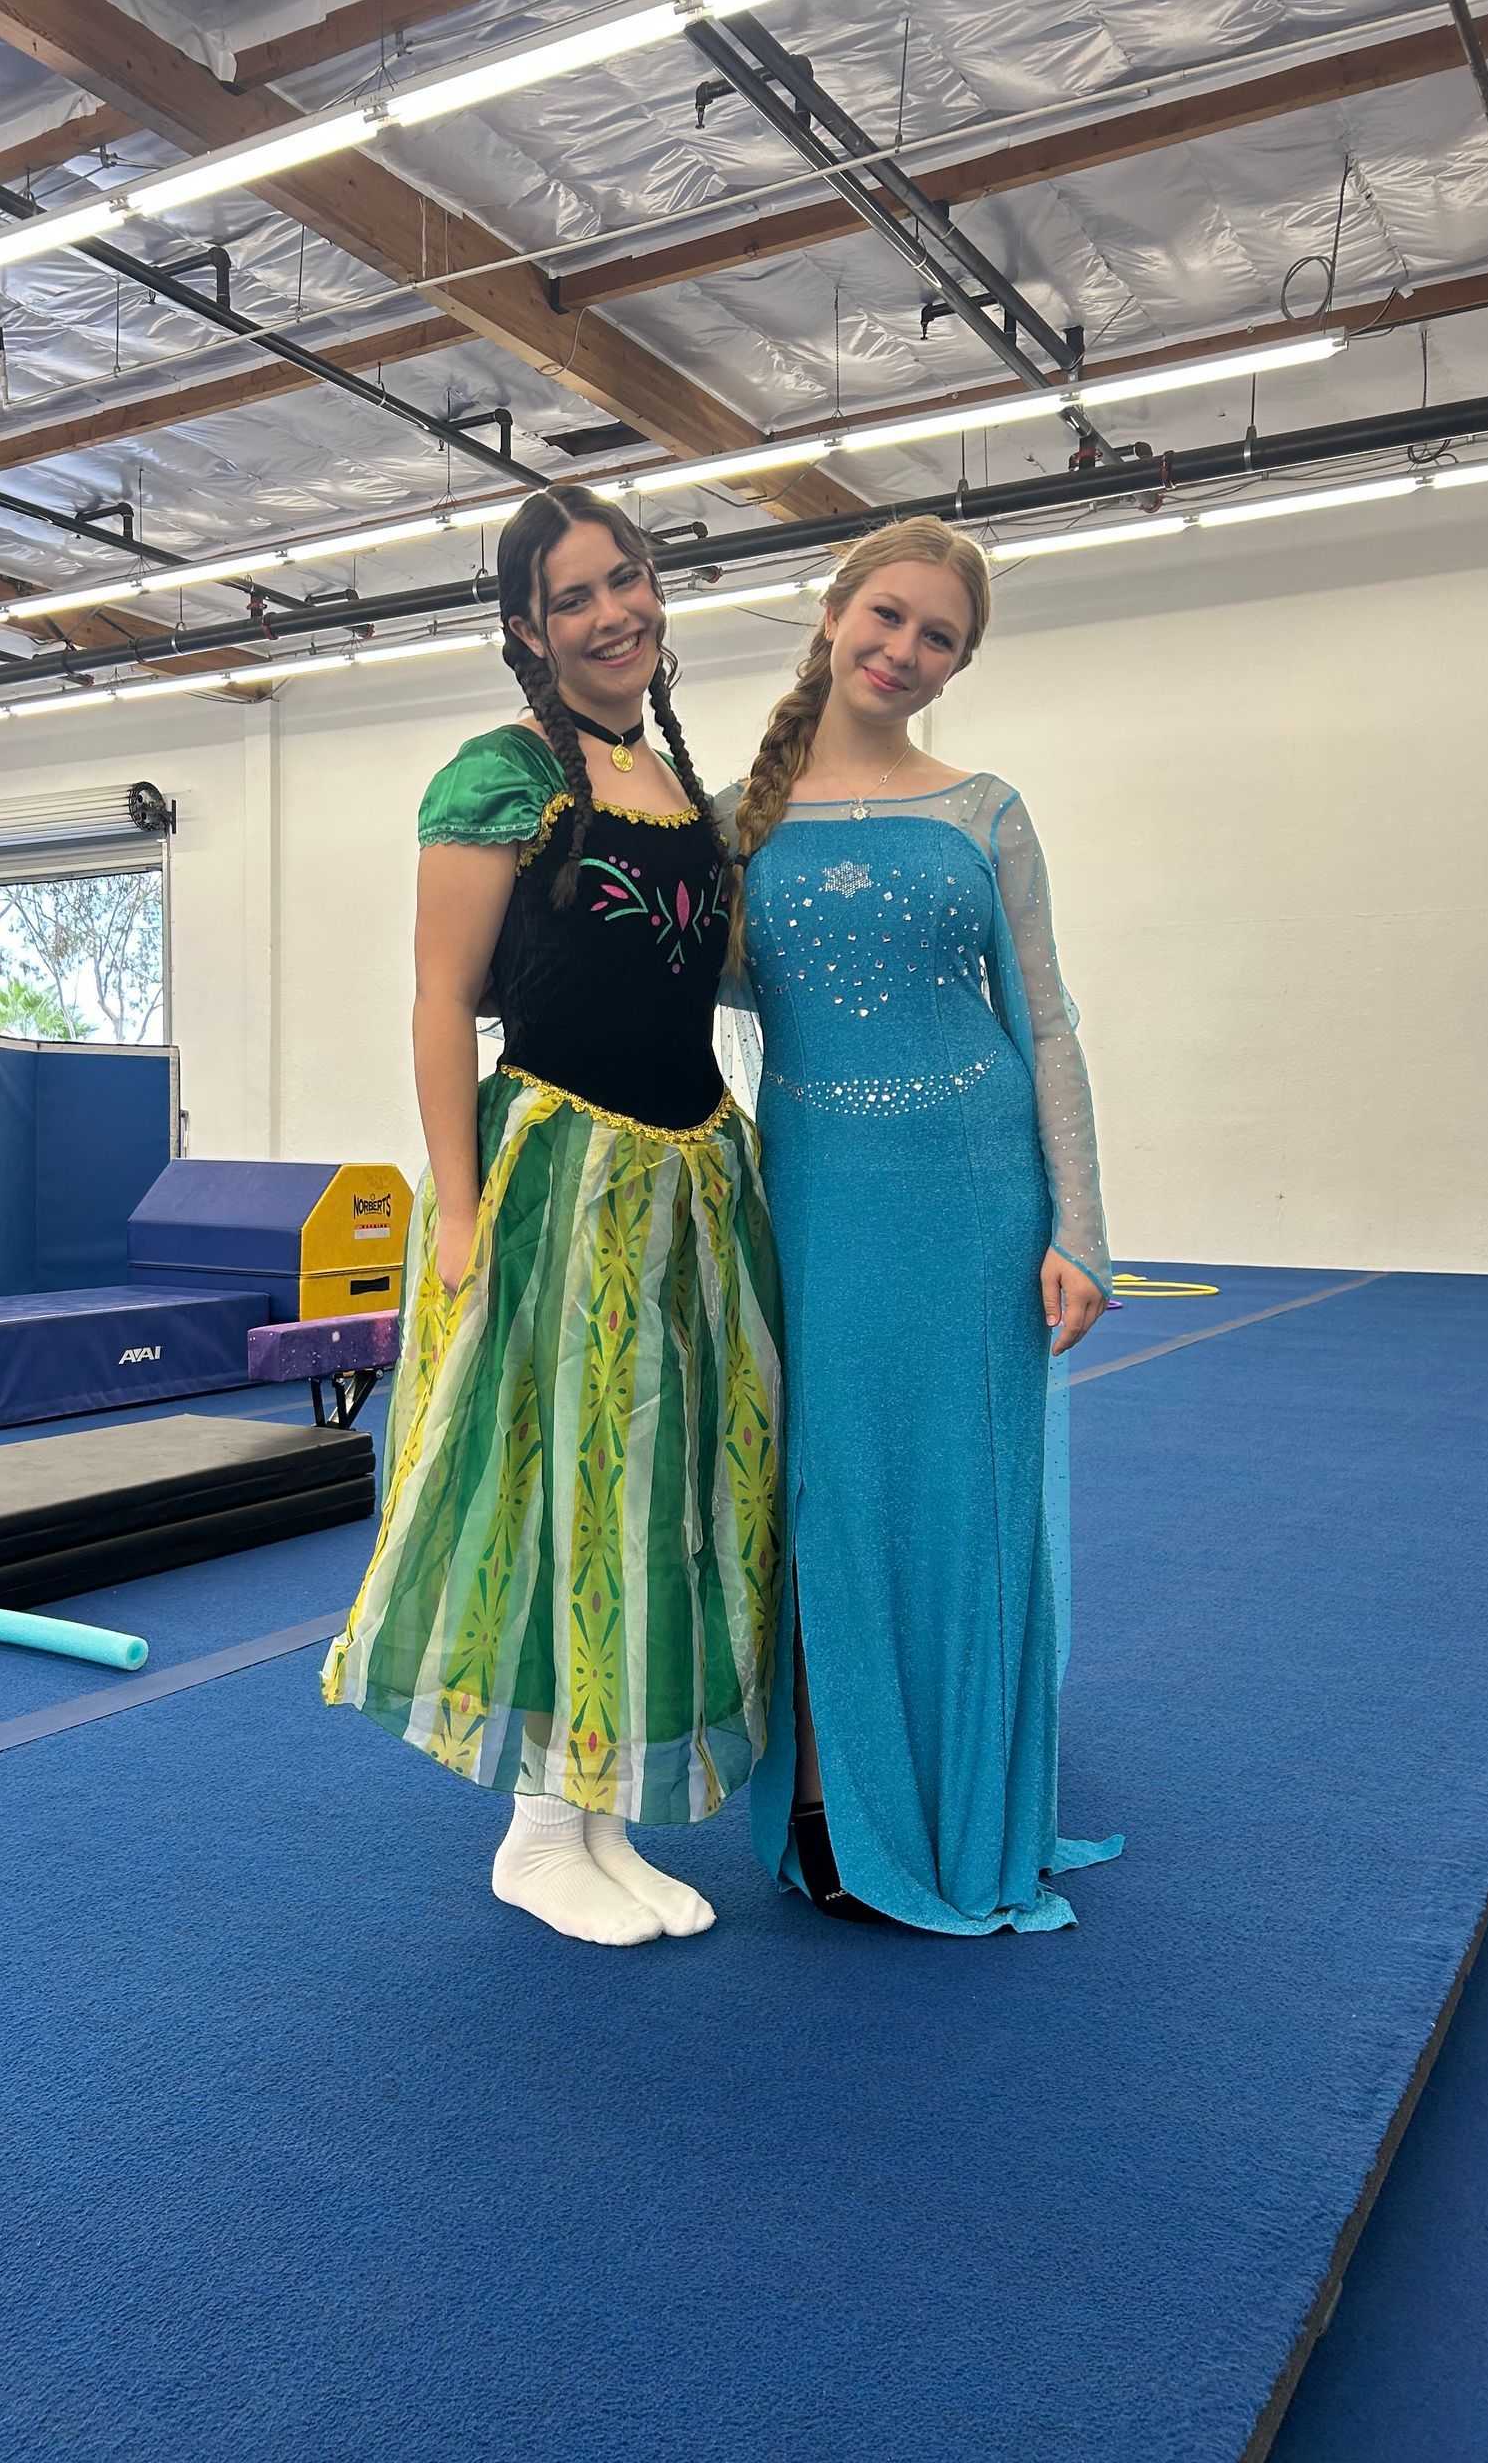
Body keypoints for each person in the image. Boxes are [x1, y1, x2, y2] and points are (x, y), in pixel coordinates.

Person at [323, 485, 783, 1946]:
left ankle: (599, 1816)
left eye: (625, 579)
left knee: (653, 1492)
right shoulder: (500, 777)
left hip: (687, 1181)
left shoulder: (673, 783)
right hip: (558, 1180)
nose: (612, 614)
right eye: (573, 597)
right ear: (528, 629)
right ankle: (534, 1831)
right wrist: (460, 1214)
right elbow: (439, 1002)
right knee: (550, 1485)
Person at [718, 514, 1121, 1934]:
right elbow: (654, 996)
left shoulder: (984, 810)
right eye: (886, 615)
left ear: (959, 663)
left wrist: (1082, 1226)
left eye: (938, 636)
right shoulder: (733, 823)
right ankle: (831, 1795)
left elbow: (1047, 1022)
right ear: (835, 614)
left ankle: (965, 1797)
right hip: (819, 1205)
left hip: (978, 1199)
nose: (903, 649)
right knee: (827, 1492)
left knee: (968, 1496)